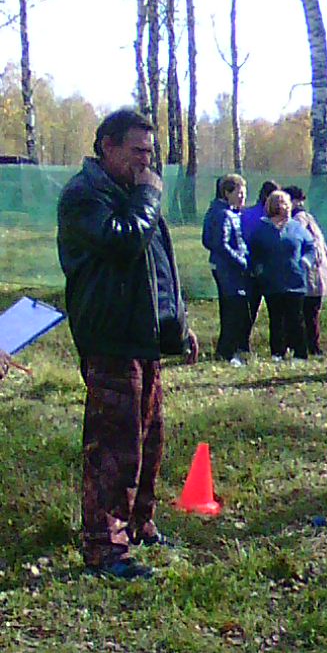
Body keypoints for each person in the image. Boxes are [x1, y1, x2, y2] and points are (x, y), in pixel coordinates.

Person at [56, 107, 199, 581]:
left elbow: (158, 267)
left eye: (150, 153)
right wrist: (147, 197)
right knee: (113, 447)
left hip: (144, 336)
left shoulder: (133, 196)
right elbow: (123, 244)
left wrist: (177, 325)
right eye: (137, 151)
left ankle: (139, 524)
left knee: (148, 439)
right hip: (110, 337)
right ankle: (105, 546)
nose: (146, 162)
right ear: (107, 147)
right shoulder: (85, 195)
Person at [248, 190, 315, 360]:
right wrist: (259, 269)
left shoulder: (296, 227)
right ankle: (278, 352)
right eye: (281, 203)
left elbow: (310, 246)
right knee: (276, 318)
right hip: (272, 282)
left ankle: (300, 353)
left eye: (287, 203)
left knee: (296, 319)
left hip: (295, 281)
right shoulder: (262, 229)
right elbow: (254, 253)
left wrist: (306, 261)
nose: (285, 207)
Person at [201, 173, 252, 364]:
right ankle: (228, 352)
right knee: (234, 310)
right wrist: (240, 261)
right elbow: (220, 243)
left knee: (232, 308)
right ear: (227, 193)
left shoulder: (223, 211)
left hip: (226, 267)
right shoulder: (223, 214)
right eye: (239, 194)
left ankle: (227, 351)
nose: (242, 198)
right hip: (228, 269)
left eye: (244, 194)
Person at [286, 185, 327, 356]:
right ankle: (312, 347)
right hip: (318, 273)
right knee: (311, 313)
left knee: (306, 313)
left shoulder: (298, 220)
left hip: (309, 275)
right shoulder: (309, 218)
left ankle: (311, 347)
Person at [240, 179, 278, 345]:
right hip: (269, 270)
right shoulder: (274, 218)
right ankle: (278, 347)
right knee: (276, 313)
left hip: (249, 268)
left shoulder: (246, 214)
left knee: (249, 310)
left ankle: (242, 343)